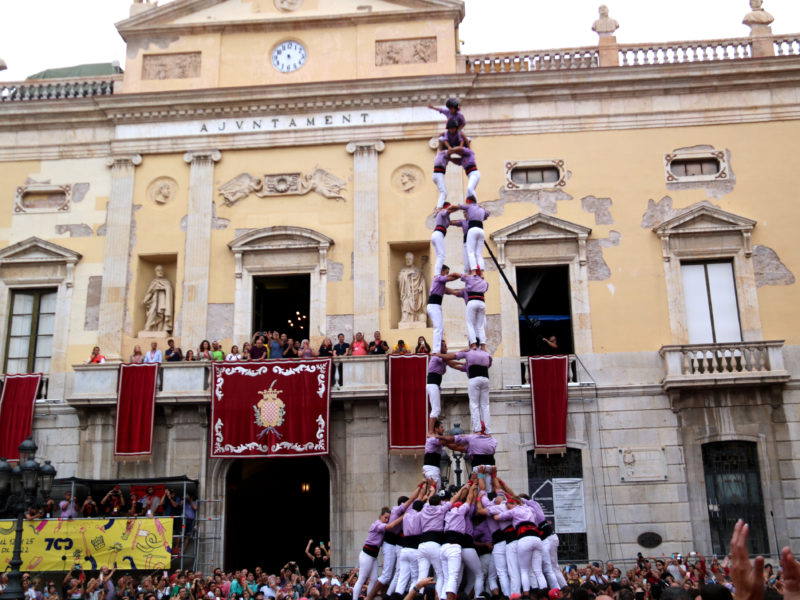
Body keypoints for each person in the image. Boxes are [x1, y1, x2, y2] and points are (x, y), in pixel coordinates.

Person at [351, 507, 406, 600]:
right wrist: (403, 516)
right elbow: (390, 526)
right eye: (385, 517)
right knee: (361, 579)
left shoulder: (382, 525)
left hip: (374, 556)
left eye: (388, 518)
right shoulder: (377, 524)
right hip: (367, 554)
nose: (387, 520)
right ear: (381, 516)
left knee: (374, 579)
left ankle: (369, 598)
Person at [436, 346, 492, 433]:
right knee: (485, 405)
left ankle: (477, 429)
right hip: (485, 379)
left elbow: (451, 359)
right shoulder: (485, 353)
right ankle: (488, 430)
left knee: (474, 405)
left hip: (475, 379)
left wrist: (438, 354)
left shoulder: (468, 352)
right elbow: (490, 362)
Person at [450, 195, 488, 275]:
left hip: (471, 236)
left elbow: (457, 206)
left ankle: (474, 272)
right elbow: (453, 222)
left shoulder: (470, 208)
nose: (465, 213)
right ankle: (476, 272)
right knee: (475, 256)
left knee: (472, 254)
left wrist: (446, 210)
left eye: (465, 212)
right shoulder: (464, 221)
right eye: (464, 212)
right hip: (477, 233)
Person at [426, 265, 460, 354]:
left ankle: (439, 348)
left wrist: (463, 291)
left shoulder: (441, 284)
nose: (447, 274)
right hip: (433, 305)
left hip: (436, 306)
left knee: (440, 328)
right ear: (441, 271)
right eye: (446, 272)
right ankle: (436, 350)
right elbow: (450, 278)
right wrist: (462, 276)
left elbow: (453, 291)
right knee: (438, 328)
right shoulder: (438, 278)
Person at [461, 271, 488, 350]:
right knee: (480, 327)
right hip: (482, 303)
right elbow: (486, 288)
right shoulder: (484, 282)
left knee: (470, 324)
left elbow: (457, 275)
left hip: (472, 302)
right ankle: (483, 346)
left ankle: (473, 344)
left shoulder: (470, 279)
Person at [142, 265, 174, 333]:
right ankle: (148, 328)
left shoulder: (166, 282)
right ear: (155, 272)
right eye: (158, 270)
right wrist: (145, 299)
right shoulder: (154, 282)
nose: (160, 272)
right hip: (154, 300)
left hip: (162, 300)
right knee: (152, 313)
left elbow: (168, 290)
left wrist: (162, 288)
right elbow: (150, 292)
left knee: (161, 315)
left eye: (161, 270)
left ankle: (160, 330)